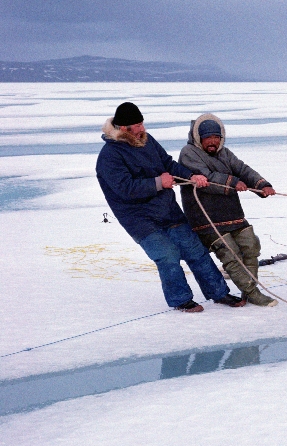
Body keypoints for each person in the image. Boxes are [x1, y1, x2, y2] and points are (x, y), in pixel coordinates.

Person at [96, 102, 243, 312]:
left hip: (168, 211)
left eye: (141, 123)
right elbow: (124, 189)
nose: (141, 129)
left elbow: (168, 164)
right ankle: (181, 300)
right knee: (167, 255)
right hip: (139, 219)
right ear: (123, 129)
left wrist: (191, 176)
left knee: (196, 251)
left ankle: (219, 293)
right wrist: (158, 182)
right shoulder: (109, 156)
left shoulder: (147, 142)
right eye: (136, 126)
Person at [179, 113, 278, 307]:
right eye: (208, 138)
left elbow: (242, 169)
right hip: (206, 219)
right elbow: (205, 178)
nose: (213, 142)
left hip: (232, 214)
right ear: (199, 137)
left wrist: (262, 184)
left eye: (217, 137)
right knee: (231, 255)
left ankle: (248, 290)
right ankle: (253, 293)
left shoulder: (225, 153)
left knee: (251, 246)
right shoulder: (188, 153)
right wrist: (233, 182)